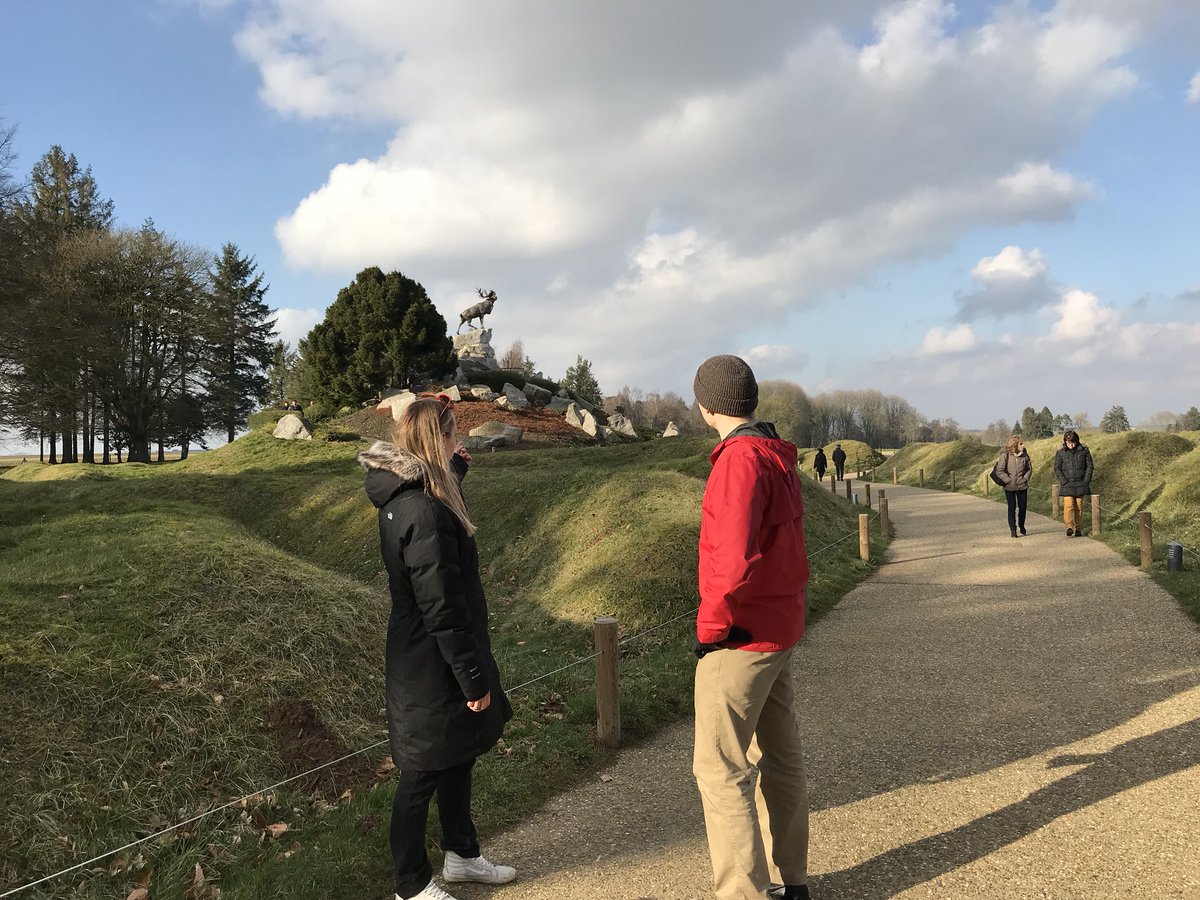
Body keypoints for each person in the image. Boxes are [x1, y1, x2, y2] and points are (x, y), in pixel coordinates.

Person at [358, 395, 516, 900]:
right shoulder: (423, 512)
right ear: (436, 440)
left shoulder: (414, 499)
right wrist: (472, 678)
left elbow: (431, 523)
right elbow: (441, 606)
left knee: (457, 753)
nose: (459, 443)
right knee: (422, 770)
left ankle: (462, 855)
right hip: (429, 659)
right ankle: (411, 883)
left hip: (429, 651)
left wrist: (454, 473)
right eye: (452, 435)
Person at [691, 355, 812, 900]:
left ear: (706, 406)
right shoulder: (774, 453)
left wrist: (711, 628)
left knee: (721, 770)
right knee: (781, 759)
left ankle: (743, 894)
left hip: (743, 635)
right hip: (779, 628)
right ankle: (795, 879)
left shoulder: (738, 461)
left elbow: (732, 558)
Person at [1053, 429, 1093, 538]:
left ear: (1076, 441)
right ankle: (1069, 527)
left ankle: (1078, 528)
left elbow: (1089, 466)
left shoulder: (1084, 451)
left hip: (1081, 483)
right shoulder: (1060, 452)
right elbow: (1057, 468)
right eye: (1068, 442)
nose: (1070, 444)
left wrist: (1086, 480)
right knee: (1069, 505)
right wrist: (1064, 481)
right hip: (1067, 484)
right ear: (1065, 442)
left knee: (1079, 506)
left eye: (1072, 442)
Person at [994, 435, 1033, 538]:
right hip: (1009, 487)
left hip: (1022, 486)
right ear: (1015, 445)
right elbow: (999, 470)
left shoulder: (1025, 455)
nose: (1023, 445)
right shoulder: (1005, 455)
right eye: (1021, 444)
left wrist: (1025, 479)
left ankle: (1021, 525)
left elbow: (1029, 469)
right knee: (1011, 508)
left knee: (1023, 507)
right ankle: (1013, 529)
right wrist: (1008, 480)